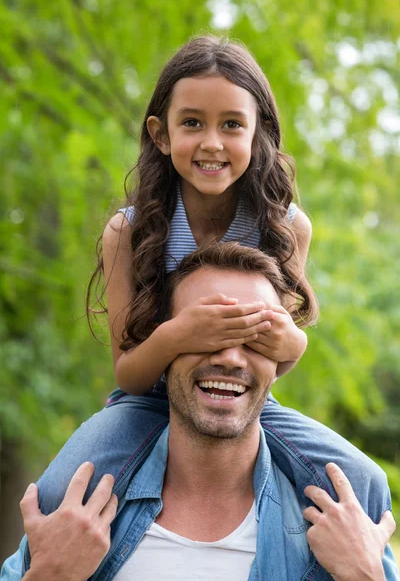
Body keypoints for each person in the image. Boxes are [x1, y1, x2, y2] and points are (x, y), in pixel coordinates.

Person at [0, 33, 392, 566]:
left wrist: (290, 342)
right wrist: (181, 335)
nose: (212, 142)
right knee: (61, 487)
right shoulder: (128, 233)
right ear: (160, 135)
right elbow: (129, 373)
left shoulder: (285, 228)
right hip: (146, 405)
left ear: (259, 135)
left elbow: (271, 364)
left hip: (238, 401)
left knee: (363, 482)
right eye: (192, 123)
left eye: (232, 124)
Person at [2, 243, 398, 580]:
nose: (229, 357)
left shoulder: (341, 523)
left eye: (256, 339)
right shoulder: (80, 516)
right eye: (205, 334)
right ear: (164, 348)